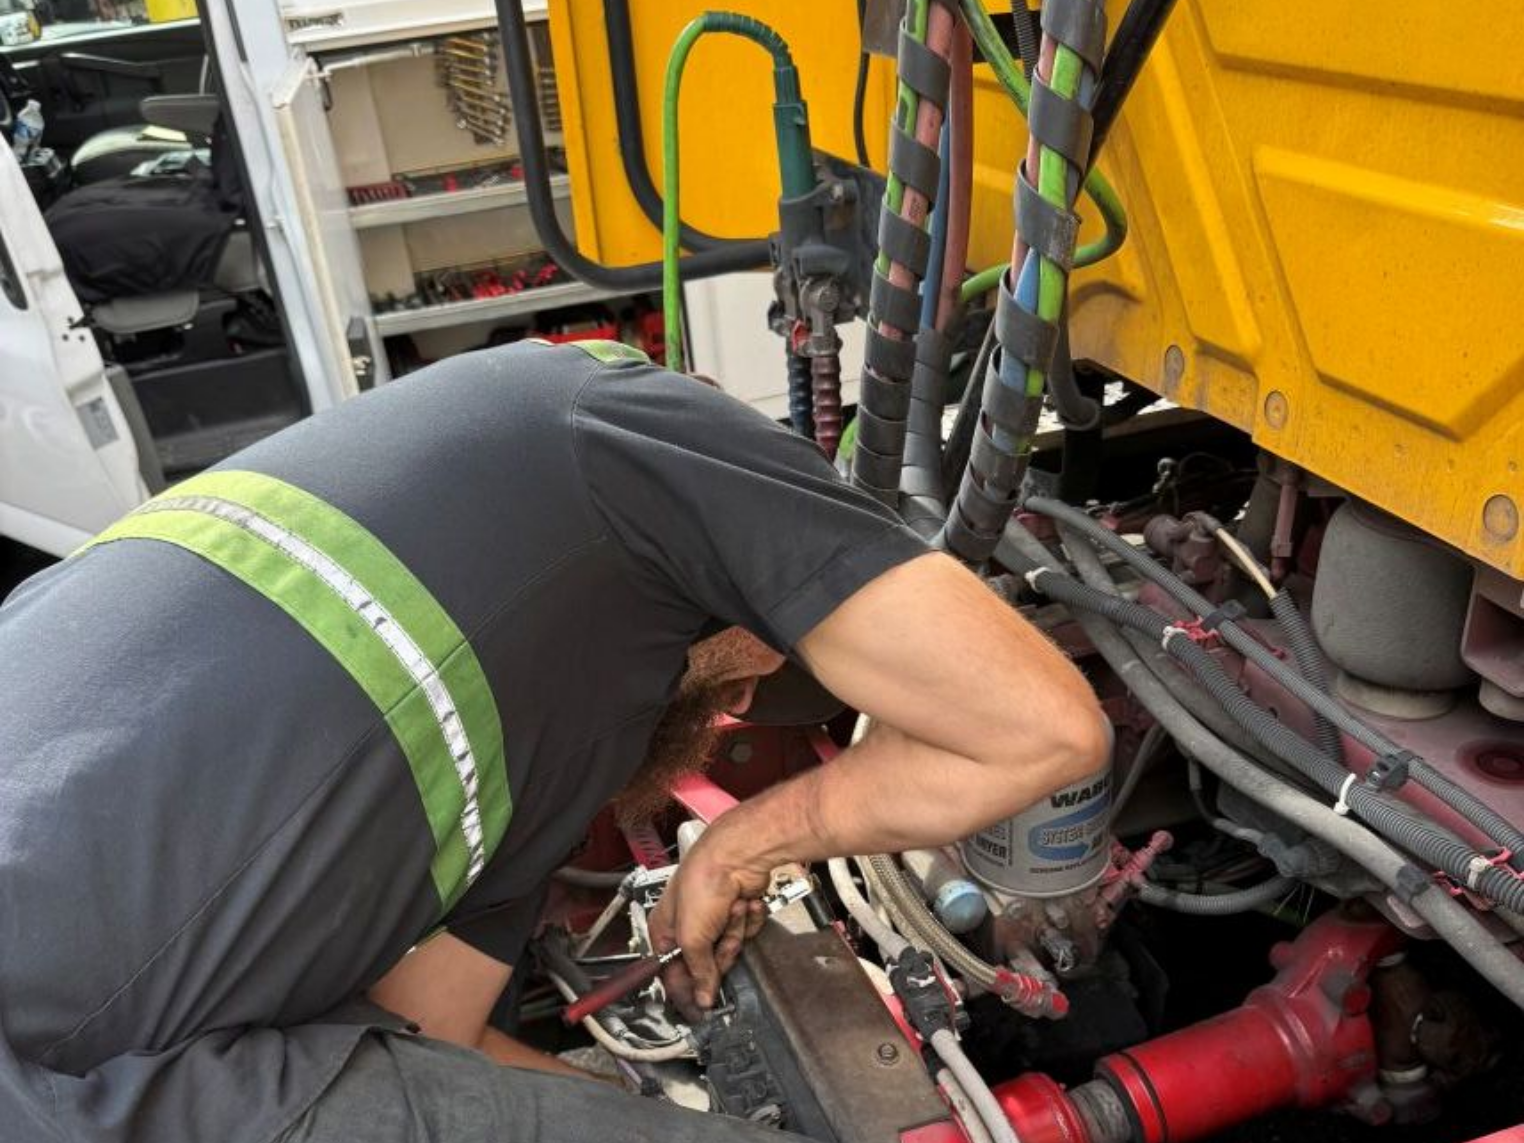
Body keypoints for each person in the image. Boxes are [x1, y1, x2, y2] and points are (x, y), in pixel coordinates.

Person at [0, 340, 1109, 1143]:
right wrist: (743, 846)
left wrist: (625, 1101)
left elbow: (427, 1040)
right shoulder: (632, 421)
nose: (736, 712)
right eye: (753, 676)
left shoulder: (499, 654)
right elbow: (1043, 729)